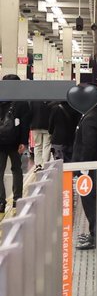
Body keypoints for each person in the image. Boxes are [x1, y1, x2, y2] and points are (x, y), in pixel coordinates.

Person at [71, 83, 97, 249]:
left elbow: (89, 145)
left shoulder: (92, 116)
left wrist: (83, 168)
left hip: (90, 167)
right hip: (94, 165)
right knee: (93, 201)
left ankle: (96, 237)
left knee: (90, 202)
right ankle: (94, 234)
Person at [0, 74, 31, 214]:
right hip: (15, 142)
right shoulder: (22, 102)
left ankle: (1, 202)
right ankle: (17, 200)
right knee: (17, 170)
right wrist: (24, 142)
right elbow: (25, 124)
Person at [28, 99, 51, 170]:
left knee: (37, 145)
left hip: (35, 126)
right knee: (46, 145)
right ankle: (45, 164)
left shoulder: (33, 100)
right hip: (48, 126)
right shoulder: (50, 101)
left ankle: (38, 164)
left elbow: (30, 113)